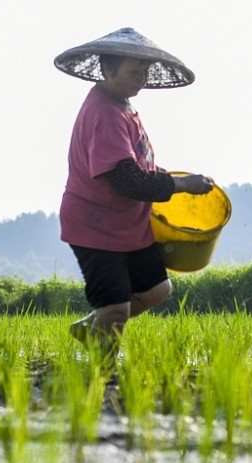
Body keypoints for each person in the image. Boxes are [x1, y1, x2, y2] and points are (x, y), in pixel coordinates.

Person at [53, 28, 213, 359]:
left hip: (126, 223)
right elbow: (127, 180)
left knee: (156, 290)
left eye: (144, 70)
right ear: (108, 69)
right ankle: (102, 375)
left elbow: (139, 166)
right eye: (133, 70)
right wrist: (182, 185)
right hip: (96, 226)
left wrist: (169, 180)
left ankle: (90, 327)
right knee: (115, 310)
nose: (140, 78)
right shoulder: (105, 114)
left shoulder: (122, 105)